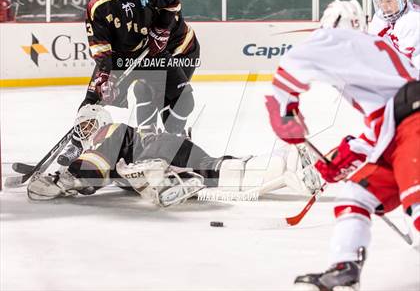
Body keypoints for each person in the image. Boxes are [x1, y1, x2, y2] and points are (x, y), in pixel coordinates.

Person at [265, 0, 420, 290]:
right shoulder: (375, 57)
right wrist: (349, 154)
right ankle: (344, 268)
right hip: (399, 135)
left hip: (414, 130)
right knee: (355, 194)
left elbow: (290, 68)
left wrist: (285, 115)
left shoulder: (339, 38)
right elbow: (385, 126)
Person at [27, 105, 322, 206]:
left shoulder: (111, 131)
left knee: (212, 172)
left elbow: (96, 167)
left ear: (102, 121)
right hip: (172, 147)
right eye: (83, 126)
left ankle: (166, 178)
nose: (88, 130)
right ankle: (288, 165)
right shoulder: (114, 137)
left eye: (90, 124)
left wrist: (65, 179)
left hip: (160, 151)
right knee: (216, 171)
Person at [57, 0, 200, 166]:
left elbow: (173, 4)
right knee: (93, 99)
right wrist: (104, 76)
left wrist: (161, 30)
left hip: (149, 54)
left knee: (184, 98)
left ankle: (172, 140)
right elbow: (101, 47)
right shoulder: (97, 6)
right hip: (118, 59)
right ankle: (77, 143)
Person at [369, 0, 420, 70]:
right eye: (380, 1)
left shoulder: (414, 19)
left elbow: (403, 63)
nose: (384, 6)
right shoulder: (378, 19)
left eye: (388, 0)